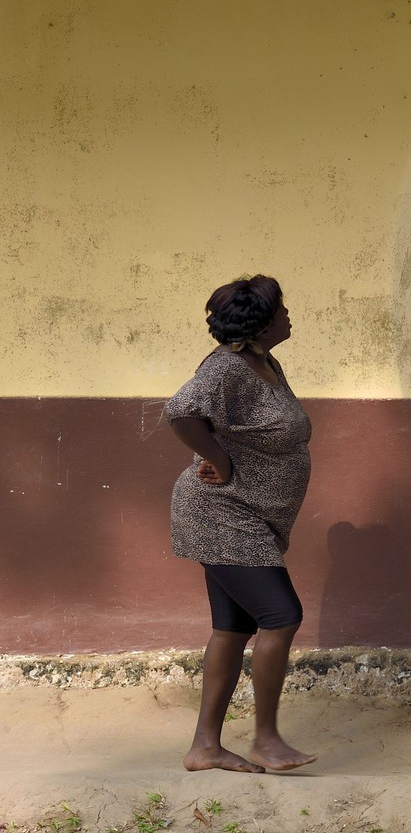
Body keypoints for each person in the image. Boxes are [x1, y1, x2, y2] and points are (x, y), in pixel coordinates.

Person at [164, 275, 317, 773]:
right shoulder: (227, 368)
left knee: (232, 628)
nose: (289, 316)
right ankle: (266, 739)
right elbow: (181, 412)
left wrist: (227, 453)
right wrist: (219, 461)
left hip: (249, 513)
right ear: (261, 322)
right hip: (221, 514)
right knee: (281, 615)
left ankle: (205, 748)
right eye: (282, 309)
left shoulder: (264, 362)